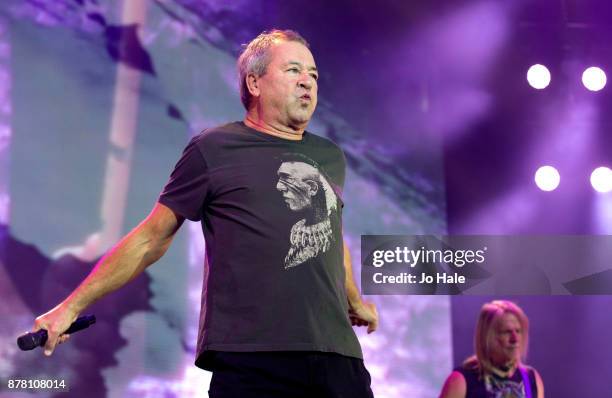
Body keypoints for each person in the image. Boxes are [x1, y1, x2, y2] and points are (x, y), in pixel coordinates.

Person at [32, 29, 378, 397]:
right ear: (255, 83)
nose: (308, 82)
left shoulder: (329, 156)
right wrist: (70, 307)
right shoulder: (214, 149)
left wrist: (354, 300)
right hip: (253, 360)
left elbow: (330, 232)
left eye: (313, 74)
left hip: (338, 360)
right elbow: (152, 238)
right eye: (293, 70)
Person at [439, 300, 544, 398]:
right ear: (487, 337)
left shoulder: (531, 378)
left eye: (518, 331)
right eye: (506, 332)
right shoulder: (461, 381)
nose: (515, 339)